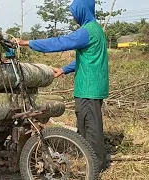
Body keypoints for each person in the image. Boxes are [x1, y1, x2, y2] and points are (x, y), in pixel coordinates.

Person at [14, 0, 109, 173]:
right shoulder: (95, 29)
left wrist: (28, 43)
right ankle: (89, 158)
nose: (73, 16)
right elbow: (87, 58)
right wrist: (64, 70)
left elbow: (59, 43)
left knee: (91, 128)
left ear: (82, 11)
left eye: (74, 13)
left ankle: (96, 166)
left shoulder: (87, 31)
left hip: (89, 88)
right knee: (87, 125)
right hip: (92, 86)